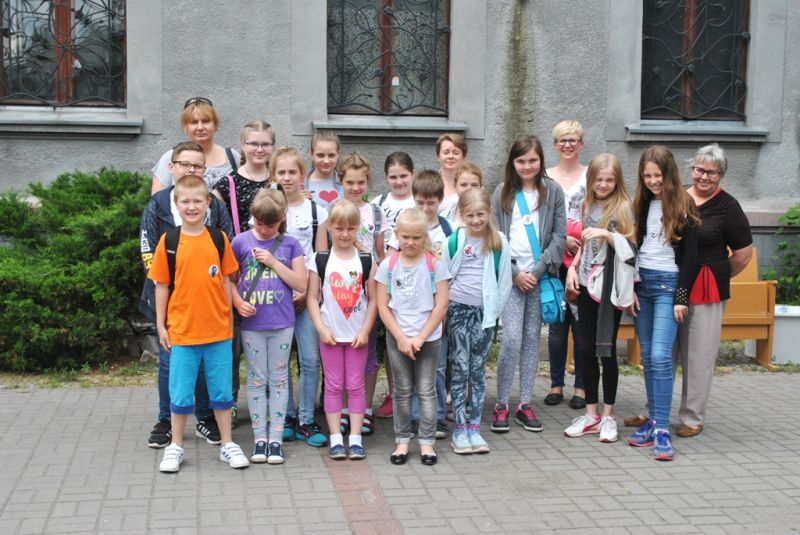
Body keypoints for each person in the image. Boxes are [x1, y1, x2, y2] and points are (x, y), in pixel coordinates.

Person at [148, 174, 249, 472]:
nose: (191, 207)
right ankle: (176, 445)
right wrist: (161, 326)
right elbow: (161, 286)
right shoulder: (169, 241)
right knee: (180, 393)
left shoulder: (218, 239)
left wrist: (230, 316)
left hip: (218, 333)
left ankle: (227, 444)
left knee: (222, 393)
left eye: (197, 201)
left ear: (208, 203)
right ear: (176, 204)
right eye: (185, 201)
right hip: (183, 333)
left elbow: (228, 281)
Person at [140, 142, 233, 449]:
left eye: (197, 165)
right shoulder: (158, 204)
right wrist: (171, 289)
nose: (191, 169)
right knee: (171, 364)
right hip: (170, 298)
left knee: (206, 364)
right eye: (185, 164)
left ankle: (205, 418)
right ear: (172, 167)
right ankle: (165, 421)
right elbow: (148, 249)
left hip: (207, 302)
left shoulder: (213, 205)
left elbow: (226, 244)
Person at [674, 143, 753, 437]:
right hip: (669, 284)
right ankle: (652, 411)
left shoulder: (728, 207)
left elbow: (743, 254)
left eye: (712, 172)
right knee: (662, 352)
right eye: (699, 170)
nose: (704, 177)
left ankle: (692, 418)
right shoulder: (677, 197)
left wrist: (716, 274)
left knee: (699, 355)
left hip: (706, 290)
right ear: (691, 169)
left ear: (721, 176)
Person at [490, 135, 566, 434]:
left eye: (532, 160)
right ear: (513, 163)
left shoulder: (553, 191)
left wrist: (537, 270)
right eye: (521, 161)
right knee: (511, 339)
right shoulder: (502, 192)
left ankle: (524, 403)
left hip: (539, 277)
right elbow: (494, 237)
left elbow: (559, 236)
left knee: (532, 340)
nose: (527, 166)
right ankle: (501, 404)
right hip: (511, 278)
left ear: (541, 160)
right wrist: (514, 273)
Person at [628, 145, 698, 461]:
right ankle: (654, 422)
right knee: (647, 356)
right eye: (647, 176)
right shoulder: (641, 203)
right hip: (642, 286)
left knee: (660, 355)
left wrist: (681, 298)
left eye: (657, 175)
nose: (653, 181)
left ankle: (662, 430)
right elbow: (633, 248)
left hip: (669, 287)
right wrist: (630, 288)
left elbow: (691, 258)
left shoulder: (684, 203)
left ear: (669, 174)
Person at [231, 187, 307, 465]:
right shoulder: (240, 242)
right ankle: (259, 439)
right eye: (260, 223)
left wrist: (274, 262)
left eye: (270, 224)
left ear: (282, 218)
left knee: (279, 379)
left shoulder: (291, 245)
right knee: (256, 379)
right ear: (253, 216)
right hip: (252, 324)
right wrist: (238, 302)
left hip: (282, 322)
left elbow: (301, 283)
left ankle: (275, 440)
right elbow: (229, 281)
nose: (264, 229)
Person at [563, 154, 636, 443]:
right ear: (590, 179)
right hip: (585, 283)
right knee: (584, 349)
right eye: (599, 179)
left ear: (617, 181)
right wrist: (572, 267)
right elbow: (584, 243)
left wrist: (608, 234)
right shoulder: (586, 203)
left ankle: (608, 416)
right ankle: (591, 414)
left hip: (608, 289)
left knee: (605, 350)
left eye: (609, 180)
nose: (603, 184)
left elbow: (632, 248)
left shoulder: (624, 206)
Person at [376, 209, 450, 466]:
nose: (410, 242)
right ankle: (402, 440)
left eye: (416, 237)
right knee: (402, 390)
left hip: (428, 339)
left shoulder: (435, 265)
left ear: (424, 237)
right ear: (397, 235)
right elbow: (382, 306)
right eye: (405, 237)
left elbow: (441, 305)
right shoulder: (388, 265)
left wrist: (420, 337)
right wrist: (401, 337)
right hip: (398, 338)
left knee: (427, 389)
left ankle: (427, 442)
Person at [306, 199, 378, 460]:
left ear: (358, 228)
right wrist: (321, 329)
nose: (345, 234)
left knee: (356, 385)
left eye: (350, 228)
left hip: (357, 336)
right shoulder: (320, 259)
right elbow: (312, 297)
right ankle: (336, 437)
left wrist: (365, 331)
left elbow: (373, 300)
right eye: (339, 228)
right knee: (334, 385)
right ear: (330, 228)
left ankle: (355, 438)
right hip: (331, 336)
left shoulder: (366, 260)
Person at [442, 189, 512, 454]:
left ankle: (475, 427)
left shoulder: (499, 242)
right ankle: (459, 428)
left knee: (478, 371)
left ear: (490, 213)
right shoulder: (454, 240)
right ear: (462, 215)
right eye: (470, 215)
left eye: (480, 214)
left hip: (485, 315)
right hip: (458, 310)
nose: (475, 220)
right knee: (460, 368)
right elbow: (444, 276)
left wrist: (494, 314)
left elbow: (504, 282)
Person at [386, 171, 455, 437]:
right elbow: (391, 266)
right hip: (406, 311)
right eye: (421, 202)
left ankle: (436, 417)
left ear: (440, 201)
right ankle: (414, 418)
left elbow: (451, 269)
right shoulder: (405, 227)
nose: (426, 208)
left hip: (436, 310)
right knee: (409, 373)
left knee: (436, 369)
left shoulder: (447, 230)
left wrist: (443, 311)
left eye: (431, 203)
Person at [271, 146, 330, 447]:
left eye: (292, 172)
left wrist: (308, 290)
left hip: (307, 295)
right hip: (276, 297)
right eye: (281, 172)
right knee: (279, 361)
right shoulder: (268, 208)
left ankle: (306, 419)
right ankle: (286, 415)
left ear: (302, 174)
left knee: (310, 359)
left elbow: (320, 256)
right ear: (273, 175)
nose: (287, 177)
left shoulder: (317, 211)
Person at [337, 152, 388, 436]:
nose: (355, 187)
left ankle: (365, 408)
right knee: (343, 352)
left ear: (367, 182)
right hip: (339, 290)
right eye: (350, 182)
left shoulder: (375, 213)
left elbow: (380, 253)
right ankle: (345, 408)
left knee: (367, 351)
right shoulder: (334, 209)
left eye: (360, 182)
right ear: (341, 182)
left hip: (368, 290)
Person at [370, 152, 417, 422]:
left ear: (413, 174)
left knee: (414, 334)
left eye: (403, 176)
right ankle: (394, 391)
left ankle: (415, 393)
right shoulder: (378, 203)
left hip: (414, 278)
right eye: (393, 177)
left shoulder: (418, 201)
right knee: (391, 338)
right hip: (386, 278)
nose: (398, 182)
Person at [545, 120, 588, 410]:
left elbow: (597, 212)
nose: (568, 144)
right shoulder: (546, 177)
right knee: (558, 326)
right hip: (555, 259)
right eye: (562, 140)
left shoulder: (590, 174)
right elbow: (542, 219)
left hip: (585, 260)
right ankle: (556, 384)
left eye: (573, 140)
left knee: (582, 326)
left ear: (581, 143)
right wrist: (561, 241)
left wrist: (580, 241)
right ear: (555, 144)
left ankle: (582, 386)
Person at [151, 97, 239, 194]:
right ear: (185, 127)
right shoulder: (171, 157)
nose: (200, 127)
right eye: (194, 122)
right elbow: (157, 199)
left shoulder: (232, 157)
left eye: (205, 121)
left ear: (215, 125)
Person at [212, 120, 274, 235]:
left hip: (277, 246)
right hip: (240, 246)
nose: (260, 149)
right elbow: (214, 226)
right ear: (242, 145)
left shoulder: (279, 179)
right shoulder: (227, 184)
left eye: (265, 144)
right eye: (254, 144)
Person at [304, 130, 344, 209]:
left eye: (331, 155)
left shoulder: (345, 182)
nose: (326, 161)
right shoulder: (300, 184)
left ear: (338, 154)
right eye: (320, 155)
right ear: (312, 153)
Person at [435, 133, 467, 218]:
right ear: (438, 156)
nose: (450, 156)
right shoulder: (429, 183)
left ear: (463, 156)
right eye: (446, 152)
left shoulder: (472, 184)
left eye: (456, 153)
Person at [442, 161, 484, 225]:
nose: (469, 189)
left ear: (481, 187)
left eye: (474, 185)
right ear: (455, 186)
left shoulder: (486, 216)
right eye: (463, 185)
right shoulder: (444, 217)